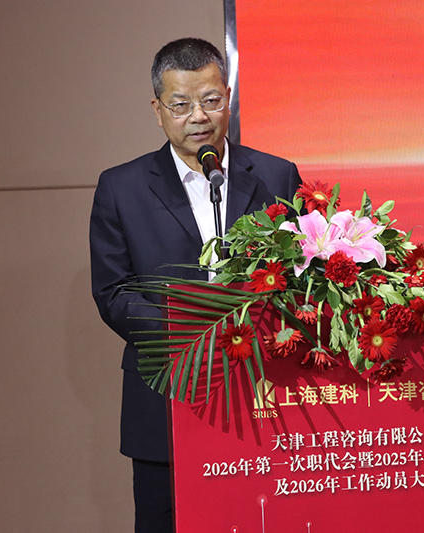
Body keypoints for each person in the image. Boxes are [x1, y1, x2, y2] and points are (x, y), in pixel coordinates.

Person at [89, 37, 301, 532]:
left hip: (264, 395)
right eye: (181, 105)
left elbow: (299, 279)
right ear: (157, 111)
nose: (199, 117)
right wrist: (196, 333)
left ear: (228, 97)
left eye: (211, 100)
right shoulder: (121, 187)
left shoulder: (276, 176)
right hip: (165, 396)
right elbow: (113, 293)